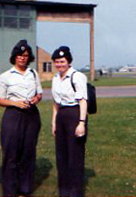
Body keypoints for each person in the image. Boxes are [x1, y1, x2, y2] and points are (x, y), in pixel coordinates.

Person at [0, 39, 42, 197]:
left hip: (31, 115)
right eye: (20, 55)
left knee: (28, 153)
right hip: (13, 116)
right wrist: (15, 103)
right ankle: (10, 191)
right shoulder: (5, 77)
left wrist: (36, 99)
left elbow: (39, 94)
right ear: (14, 57)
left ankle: (25, 189)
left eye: (26, 55)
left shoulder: (33, 74)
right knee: (11, 153)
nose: (22, 58)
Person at [51, 46, 88, 197]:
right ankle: (64, 191)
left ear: (69, 62)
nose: (60, 64)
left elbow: (83, 101)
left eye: (62, 61)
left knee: (75, 156)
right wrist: (54, 122)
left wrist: (81, 123)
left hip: (75, 114)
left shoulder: (77, 76)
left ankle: (75, 192)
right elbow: (55, 103)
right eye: (57, 62)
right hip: (61, 116)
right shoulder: (55, 78)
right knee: (62, 156)